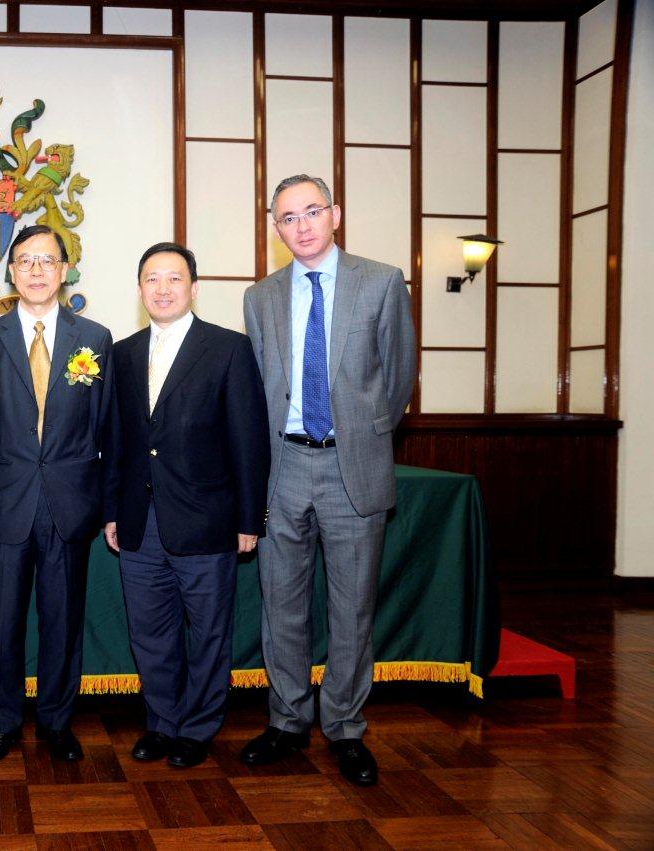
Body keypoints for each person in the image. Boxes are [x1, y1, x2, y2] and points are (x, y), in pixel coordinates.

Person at [241, 174, 416, 786]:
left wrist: (360, 434)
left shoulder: (382, 281)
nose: (302, 225)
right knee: (281, 605)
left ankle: (345, 726)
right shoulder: (260, 297)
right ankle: (288, 720)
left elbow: (398, 378)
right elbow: (259, 387)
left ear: (335, 214)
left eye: (312, 211)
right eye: (288, 217)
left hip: (352, 466)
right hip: (282, 467)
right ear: (276, 228)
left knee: (352, 607)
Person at [103, 242, 269, 768]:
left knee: (208, 632)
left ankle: (197, 729)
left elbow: (248, 440)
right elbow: (117, 440)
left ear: (194, 288)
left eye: (174, 279)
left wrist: (249, 518)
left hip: (207, 520)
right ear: (139, 289)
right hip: (139, 521)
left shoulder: (228, 349)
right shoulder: (123, 354)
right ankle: (162, 723)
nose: (163, 289)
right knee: (150, 633)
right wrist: (112, 510)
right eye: (152, 279)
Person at [0, 225, 116, 762]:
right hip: (8, 501)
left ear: (64, 270)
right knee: (2, 622)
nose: (35, 270)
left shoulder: (95, 339)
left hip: (69, 503)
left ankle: (56, 721)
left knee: (63, 621)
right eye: (25, 261)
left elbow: (102, 424)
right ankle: (2, 722)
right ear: (11, 271)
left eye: (47, 261)